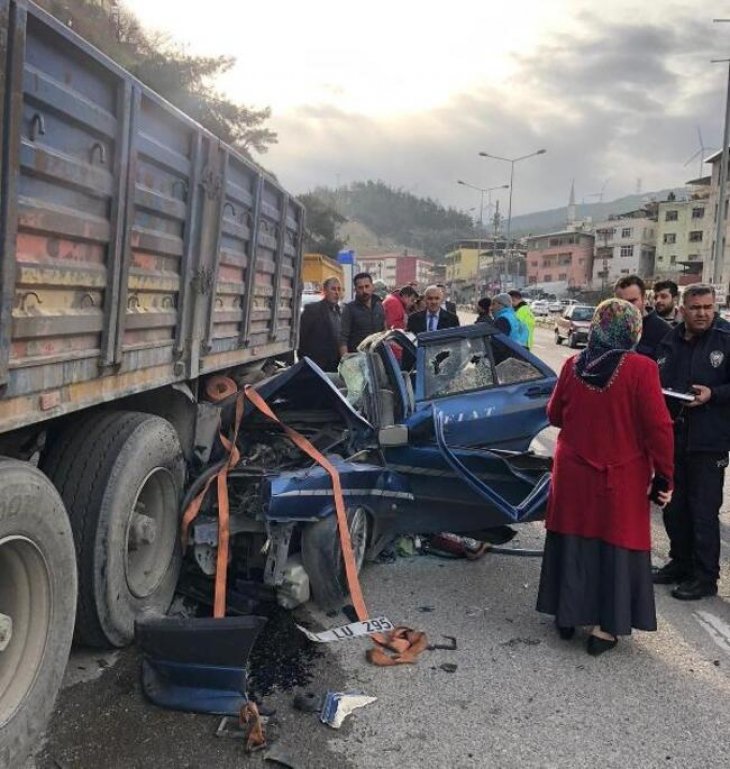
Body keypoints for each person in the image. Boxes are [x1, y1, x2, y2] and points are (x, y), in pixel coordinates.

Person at [536, 299, 674, 655]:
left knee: (572, 539)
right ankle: (605, 627)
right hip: (620, 476)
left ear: (596, 326)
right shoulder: (641, 368)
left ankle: (566, 616)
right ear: (633, 330)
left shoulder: (573, 364)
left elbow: (554, 415)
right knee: (614, 546)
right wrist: (665, 476)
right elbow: (659, 427)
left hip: (573, 473)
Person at [654, 284, 730, 600]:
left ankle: (705, 577)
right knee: (673, 508)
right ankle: (680, 562)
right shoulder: (670, 339)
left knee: (703, 510)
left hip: (709, 441)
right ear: (683, 308)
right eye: (696, 307)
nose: (702, 313)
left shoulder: (725, 339)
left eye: (707, 307)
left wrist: (715, 394)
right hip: (675, 436)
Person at [614, 275, 671, 358]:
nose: (627, 307)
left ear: (644, 298)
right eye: (621, 302)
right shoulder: (610, 329)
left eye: (632, 301)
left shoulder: (665, 332)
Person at [297, 276, 342, 371]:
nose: (336, 292)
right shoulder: (312, 310)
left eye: (339, 289)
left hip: (335, 366)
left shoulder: (341, 312)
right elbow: (301, 337)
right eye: (333, 289)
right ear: (325, 291)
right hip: (316, 366)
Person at [339, 272, 386, 355]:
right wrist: (346, 361)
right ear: (355, 289)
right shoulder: (349, 309)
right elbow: (342, 339)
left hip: (378, 358)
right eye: (360, 288)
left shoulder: (379, 306)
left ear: (372, 287)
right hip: (358, 359)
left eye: (367, 286)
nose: (364, 290)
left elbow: (384, 332)